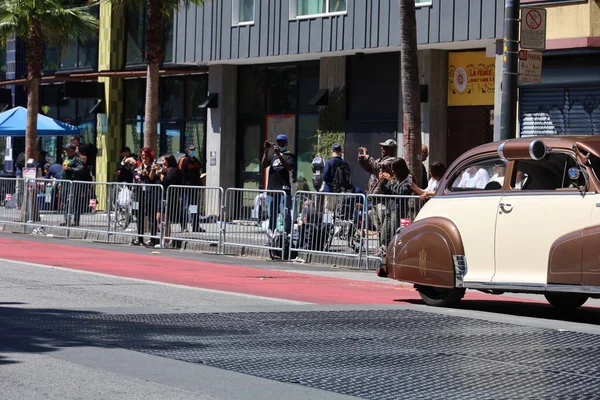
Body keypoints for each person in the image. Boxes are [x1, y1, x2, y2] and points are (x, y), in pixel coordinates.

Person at [358, 139, 403, 256]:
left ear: (391, 149)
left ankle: (387, 249)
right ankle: (382, 249)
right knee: (379, 227)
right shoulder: (380, 160)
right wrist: (362, 159)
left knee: (385, 226)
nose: (382, 149)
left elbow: (378, 167)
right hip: (374, 197)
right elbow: (369, 167)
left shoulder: (391, 161)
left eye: (385, 147)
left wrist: (367, 157)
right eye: (382, 147)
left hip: (382, 198)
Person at [261, 134, 296, 236]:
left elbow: (288, 167)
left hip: (284, 189)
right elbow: (263, 165)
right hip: (272, 189)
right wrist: (266, 151)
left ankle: (287, 234)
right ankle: (271, 233)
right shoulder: (273, 156)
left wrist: (280, 155)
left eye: (282, 142)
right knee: (271, 214)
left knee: (285, 213)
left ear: (286, 143)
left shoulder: (290, 156)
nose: (280, 144)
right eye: (278, 142)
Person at [125, 147, 160, 246]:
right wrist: (127, 159)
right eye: (142, 155)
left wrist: (151, 170)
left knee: (151, 216)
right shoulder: (138, 166)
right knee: (139, 216)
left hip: (150, 194)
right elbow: (124, 166)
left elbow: (153, 178)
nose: (144, 157)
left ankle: (153, 239)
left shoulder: (153, 166)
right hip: (139, 194)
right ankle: (140, 238)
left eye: (146, 155)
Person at [154, 154, 182, 248]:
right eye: (161, 160)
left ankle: (166, 240)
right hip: (162, 196)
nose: (162, 162)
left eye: (164, 160)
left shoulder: (173, 170)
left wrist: (160, 173)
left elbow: (166, 180)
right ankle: (162, 238)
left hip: (169, 196)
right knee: (158, 217)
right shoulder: (164, 170)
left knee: (165, 219)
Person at [177, 144, 204, 232]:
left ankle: (195, 225)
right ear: (187, 150)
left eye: (194, 149)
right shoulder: (183, 160)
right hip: (186, 188)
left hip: (195, 187)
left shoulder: (195, 160)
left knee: (194, 207)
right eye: (191, 150)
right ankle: (184, 226)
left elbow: (199, 169)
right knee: (185, 207)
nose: (193, 151)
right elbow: (180, 173)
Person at [60, 144, 86, 227]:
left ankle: (76, 220)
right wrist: (61, 182)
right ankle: (66, 220)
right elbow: (63, 170)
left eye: (67, 150)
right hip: (65, 184)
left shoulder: (77, 159)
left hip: (74, 184)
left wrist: (70, 169)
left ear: (72, 150)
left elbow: (81, 169)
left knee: (75, 203)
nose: (66, 152)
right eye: (65, 150)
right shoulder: (66, 158)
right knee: (66, 203)